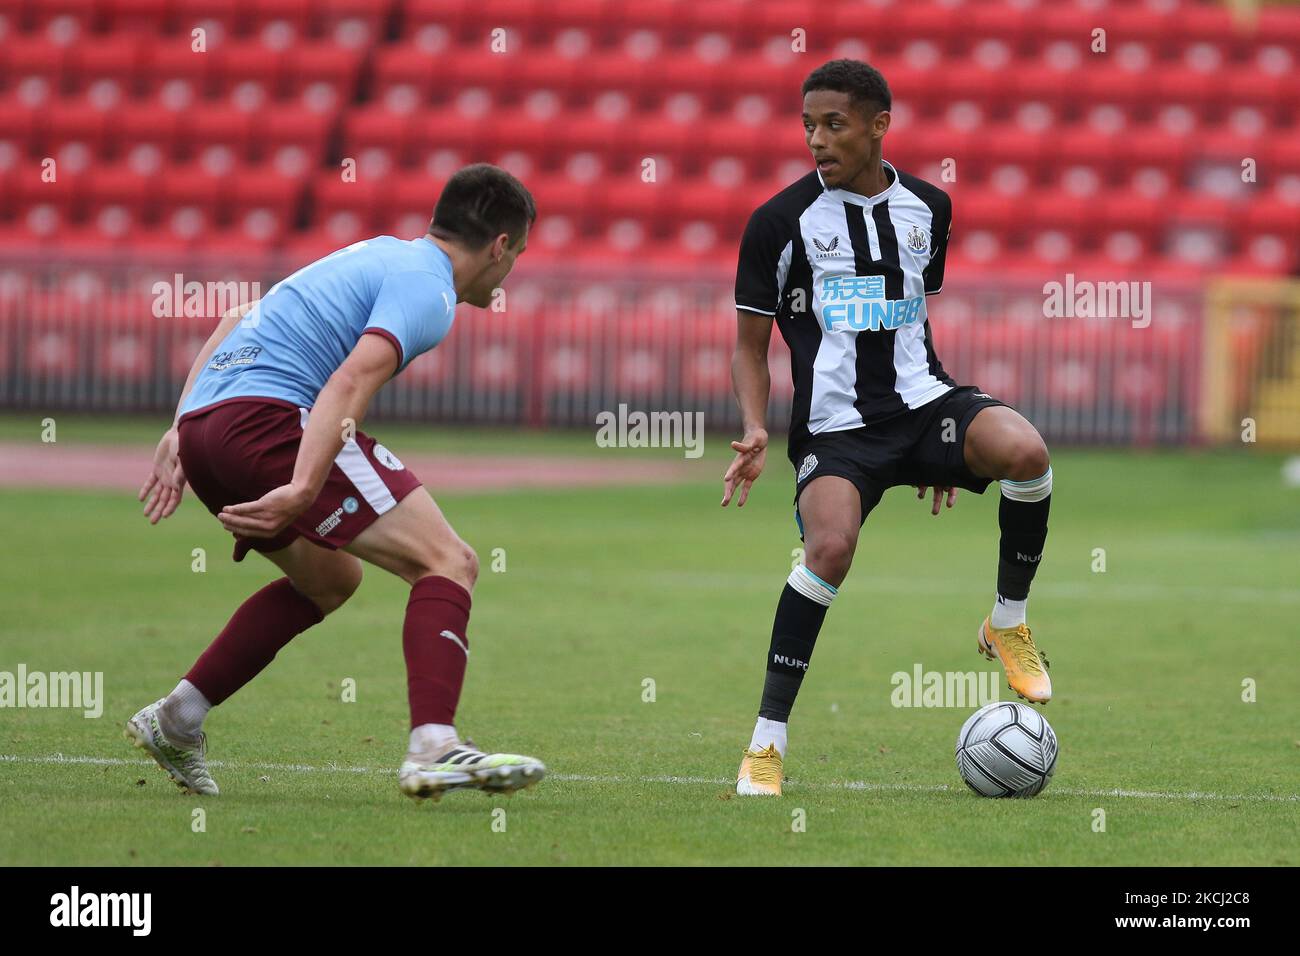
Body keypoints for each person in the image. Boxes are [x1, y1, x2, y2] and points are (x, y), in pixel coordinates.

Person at [128, 164, 544, 801]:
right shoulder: (429, 292)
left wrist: (181, 424)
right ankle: (434, 744)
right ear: (499, 246)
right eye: (517, 254)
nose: (511, 269)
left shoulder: (381, 253)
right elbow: (346, 385)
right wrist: (302, 485)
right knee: (448, 561)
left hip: (209, 427)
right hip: (265, 423)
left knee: (330, 579)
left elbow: (238, 316)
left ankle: (177, 720)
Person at [723, 61, 1054, 797]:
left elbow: (910, 327)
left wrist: (946, 451)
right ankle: (765, 745)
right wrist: (752, 424)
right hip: (836, 431)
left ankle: (1008, 621)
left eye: (833, 123)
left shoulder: (930, 209)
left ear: (879, 126)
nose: (816, 139)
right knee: (830, 548)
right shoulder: (777, 223)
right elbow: (750, 346)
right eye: (807, 124)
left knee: (1026, 453)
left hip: (926, 405)